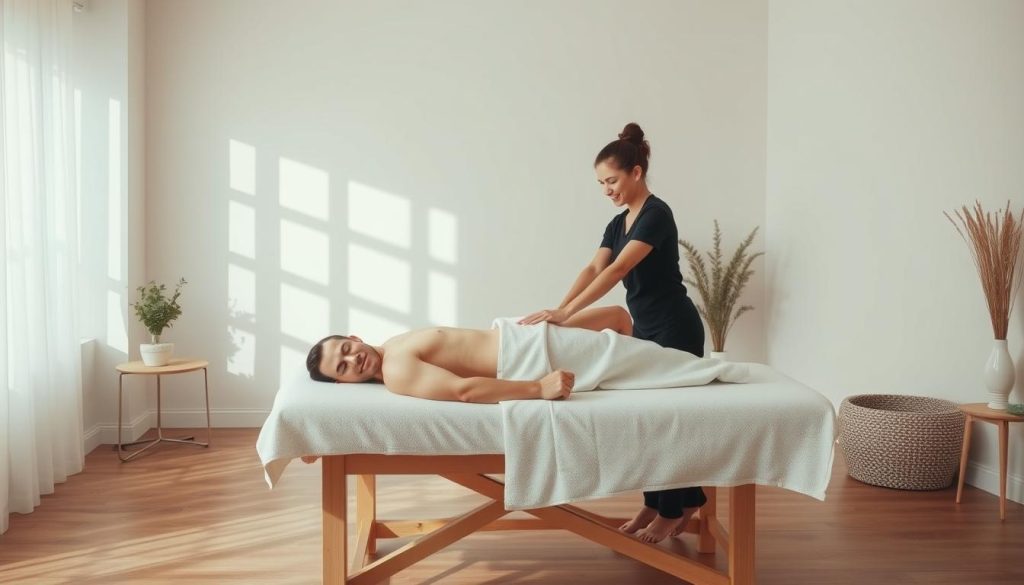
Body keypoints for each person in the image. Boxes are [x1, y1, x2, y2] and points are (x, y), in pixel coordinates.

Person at [518, 122, 707, 543]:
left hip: (676, 328)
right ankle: (663, 502)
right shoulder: (618, 223)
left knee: (666, 422)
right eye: (601, 183)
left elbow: (621, 268)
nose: (607, 189)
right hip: (646, 329)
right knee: (648, 419)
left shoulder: (657, 214)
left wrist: (568, 311)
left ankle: (673, 507)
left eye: (612, 180)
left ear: (636, 172)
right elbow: (594, 268)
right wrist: (559, 310)